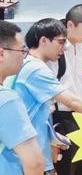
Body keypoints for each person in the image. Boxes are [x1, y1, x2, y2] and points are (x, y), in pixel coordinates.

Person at [8, 19, 82, 175]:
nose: (64, 48)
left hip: (26, 155)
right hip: (32, 159)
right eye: (60, 42)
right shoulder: (36, 68)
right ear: (43, 40)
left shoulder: (27, 64)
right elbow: (72, 101)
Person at [49, 5, 82, 175]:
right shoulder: (57, 51)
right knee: (68, 167)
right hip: (64, 118)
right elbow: (53, 90)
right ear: (70, 25)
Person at [0, 21, 44, 175]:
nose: (24, 57)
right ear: (1, 54)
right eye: (22, 50)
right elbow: (34, 162)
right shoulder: (6, 99)